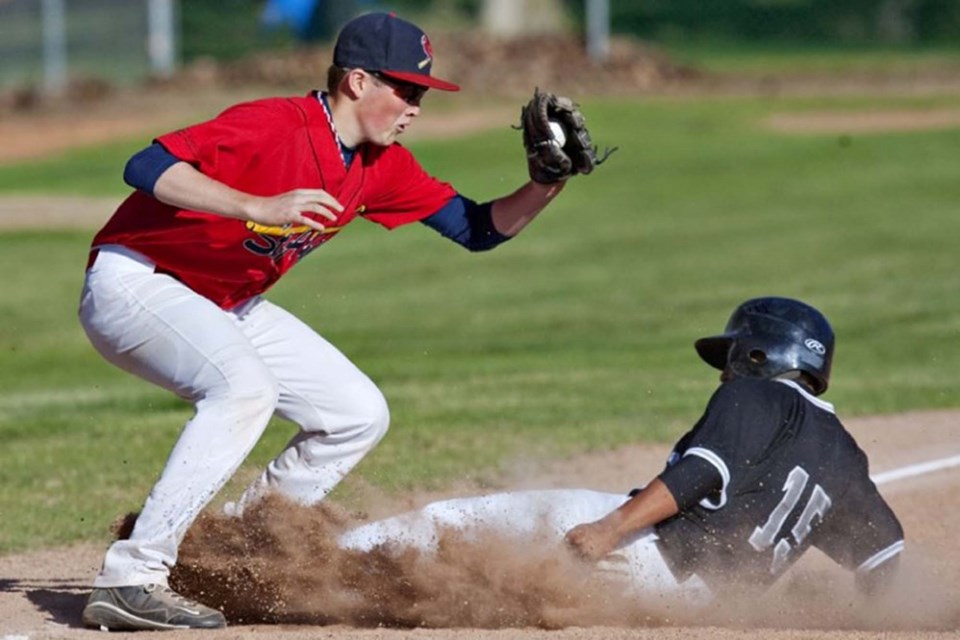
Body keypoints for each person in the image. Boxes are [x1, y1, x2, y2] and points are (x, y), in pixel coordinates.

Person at [79, 11, 581, 631]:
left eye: (421, 92)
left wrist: (544, 184)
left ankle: (235, 550)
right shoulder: (273, 124)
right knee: (243, 390)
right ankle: (132, 576)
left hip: (224, 303)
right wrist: (255, 205)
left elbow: (476, 229)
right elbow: (146, 166)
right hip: (135, 282)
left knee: (355, 414)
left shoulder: (380, 164)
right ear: (358, 82)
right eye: (407, 89)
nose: (415, 106)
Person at [338, 297, 905, 604]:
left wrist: (609, 529)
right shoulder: (846, 457)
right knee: (502, 593)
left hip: (646, 551)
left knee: (451, 522)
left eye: (733, 356)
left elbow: (703, 473)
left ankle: (321, 562)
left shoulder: (758, 396)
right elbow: (884, 556)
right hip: (695, 607)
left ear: (758, 357)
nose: (725, 371)